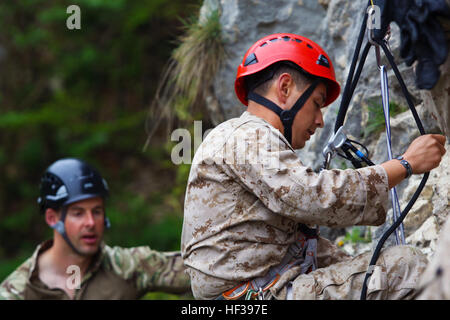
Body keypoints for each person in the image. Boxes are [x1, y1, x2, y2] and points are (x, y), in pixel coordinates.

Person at [180, 33, 447, 300]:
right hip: (258, 296)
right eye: (317, 103)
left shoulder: (241, 139)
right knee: (407, 267)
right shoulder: (247, 135)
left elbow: (300, 242)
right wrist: (404, 165)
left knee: (385, 267)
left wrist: (360, 265)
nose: (320, 120)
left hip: (254, 293)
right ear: (284, 89)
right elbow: (312, 196)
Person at [0, 158, 190, 300]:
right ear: (52, 218)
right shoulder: (17, 292)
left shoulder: (127, 267)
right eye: (78, 213)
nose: (91, 222)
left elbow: (205, 271)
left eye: (97, 211)